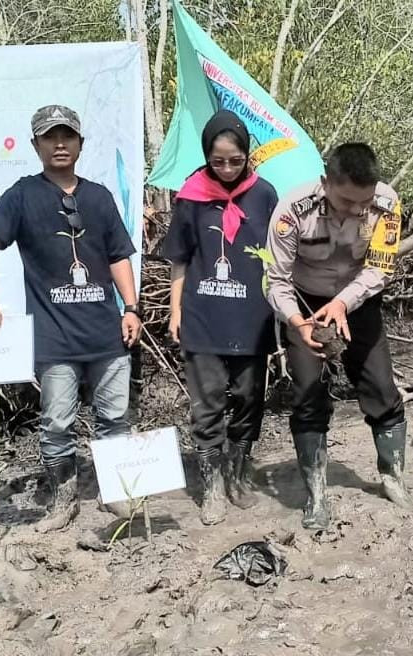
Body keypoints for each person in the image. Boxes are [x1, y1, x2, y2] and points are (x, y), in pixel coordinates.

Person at [0, 104, 142, 533]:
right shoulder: (23, 196)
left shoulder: (98, 197)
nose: (59, 143)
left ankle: (115, 493)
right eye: (49, 137)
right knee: (57, 423)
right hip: (54, 337)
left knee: (115, 418)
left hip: (107, 333)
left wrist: (132, 307)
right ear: (36, 145)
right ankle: (62, 500)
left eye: (67, 136)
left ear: (81, 143)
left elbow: (119, 255)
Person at [266, 142, 413, 529]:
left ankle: (393, 476)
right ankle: (316, 492)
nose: (357, 210)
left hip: (358, 298)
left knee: (381, 387)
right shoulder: (291, 211)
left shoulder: (387, 203)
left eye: (363, 202)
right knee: (307, 394)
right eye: (347, 202)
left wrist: (344, 303)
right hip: (304, 303)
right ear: (325, 183)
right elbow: (276, 281)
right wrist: (298, 324)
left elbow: (380, 268)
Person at [163, 110, 279, 525]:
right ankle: (211, 483)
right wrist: (176, 311)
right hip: (203, 314)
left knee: (249, 398)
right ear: (206, 156)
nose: (228, 169)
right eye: (218, 161)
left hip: (252, 316)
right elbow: (179, 259)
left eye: (236, 160)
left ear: (248, 155)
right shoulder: (191, 196)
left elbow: (278, 254)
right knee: (207, 401)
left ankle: (238, 474)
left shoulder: (265, 194)